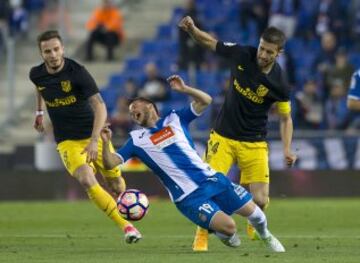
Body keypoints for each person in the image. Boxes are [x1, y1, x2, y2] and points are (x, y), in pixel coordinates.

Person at [101, 75, 286, 253]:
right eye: (131, 112)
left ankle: (266, 235)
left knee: (256, 215)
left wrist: (184, 89)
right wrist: (104, 142)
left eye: (135, 108)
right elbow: (110, 163)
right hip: (188, 197)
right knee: (229, 228)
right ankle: (222, 234)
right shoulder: (136, 140)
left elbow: (206, 100)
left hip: (212, 179)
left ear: (149, 106)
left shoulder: (175, 118)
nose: (132, 113)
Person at [178, 16, 297, 251]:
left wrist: (286, 148)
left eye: (269, 52)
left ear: (279, 53)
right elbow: (210, 43)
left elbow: (285, 118)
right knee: (206, 189)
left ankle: (254, 219)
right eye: (262, 48)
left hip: (254, 141)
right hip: (223, 136)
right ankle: (202, 234)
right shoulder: (242, 54)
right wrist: (192, 29)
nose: (262, 55)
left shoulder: (280, 84)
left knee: (261, 199)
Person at [29, 30, 141, 244]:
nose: (52, 54)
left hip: (93, 135)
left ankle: (126, 206)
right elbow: (39, 88)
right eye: (47, 51)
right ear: (41, 53)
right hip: (67, 141)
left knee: (117, 186)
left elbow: (100, 106)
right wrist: (39, 112)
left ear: (62, 49)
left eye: (55, 49)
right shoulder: (36, 74)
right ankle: (127, 227)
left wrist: (93, 140)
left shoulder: (77, 72)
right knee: (86, 179)